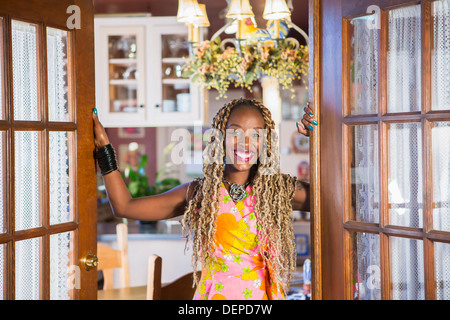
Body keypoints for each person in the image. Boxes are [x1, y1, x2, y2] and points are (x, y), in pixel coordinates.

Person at [92, 98, 317, 300]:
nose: (245, 143)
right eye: (235, 133)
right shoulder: (200, 192)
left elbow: (330, 198)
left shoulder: (277, 190)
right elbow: (124, 207)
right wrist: (105, 151)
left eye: (256, 134)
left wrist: (317, 140)